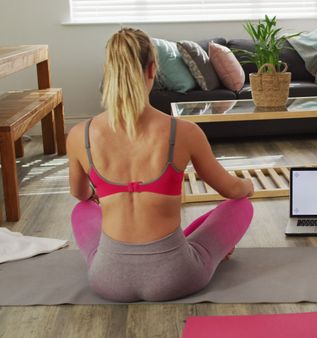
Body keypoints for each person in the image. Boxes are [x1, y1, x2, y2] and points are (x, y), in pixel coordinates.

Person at [66, 28, 254, 302]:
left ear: (110, 71)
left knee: (82, 209)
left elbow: (80, 195)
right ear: (152, 69)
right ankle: (187, 246)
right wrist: (247, 185)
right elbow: (232, 191)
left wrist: (103, 194)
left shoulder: (79, 135)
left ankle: (115, 255)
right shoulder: (184, 132)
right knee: (241, 206)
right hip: (177, 277)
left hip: (107, 279)